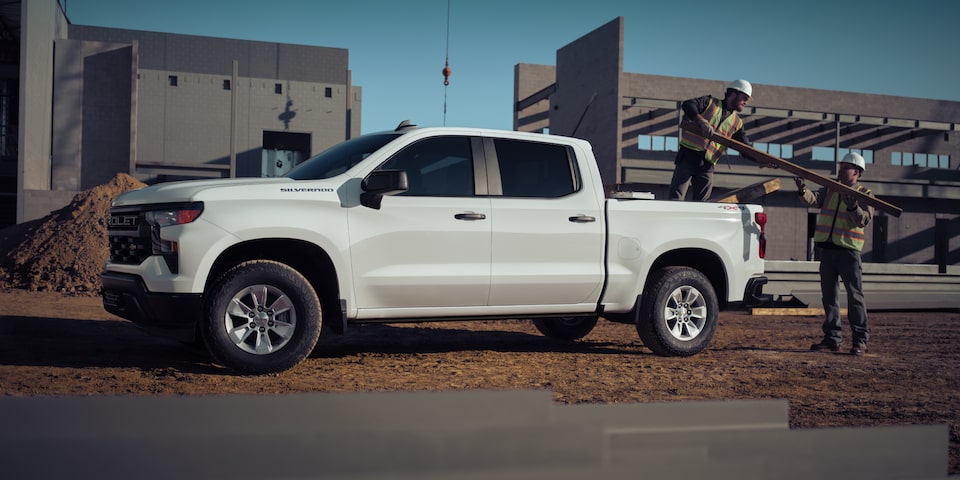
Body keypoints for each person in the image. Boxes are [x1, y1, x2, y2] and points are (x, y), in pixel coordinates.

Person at [795, 152, 875, 356]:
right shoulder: (830, 189)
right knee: (829, 298)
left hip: (848, 252)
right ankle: (832, 339)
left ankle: (860, 341)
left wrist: (853, 206)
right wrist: (803, 189)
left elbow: (863, 220)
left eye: (844, 167)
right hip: (828, 251)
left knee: (855, 297)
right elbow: (814, 201)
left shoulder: (865, 193)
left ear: (856, 172)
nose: (839, 169)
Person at [669, 79, 753, 201]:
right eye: (744, 98)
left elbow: (745, 148)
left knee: (703, 206)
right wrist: (700, 120)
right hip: (688, 158)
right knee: (675, 200)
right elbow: (688, 104)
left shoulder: (737, 122)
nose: (745, 102)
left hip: (707, 166)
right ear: (734, 94)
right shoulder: (709, 102)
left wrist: (761, 161)